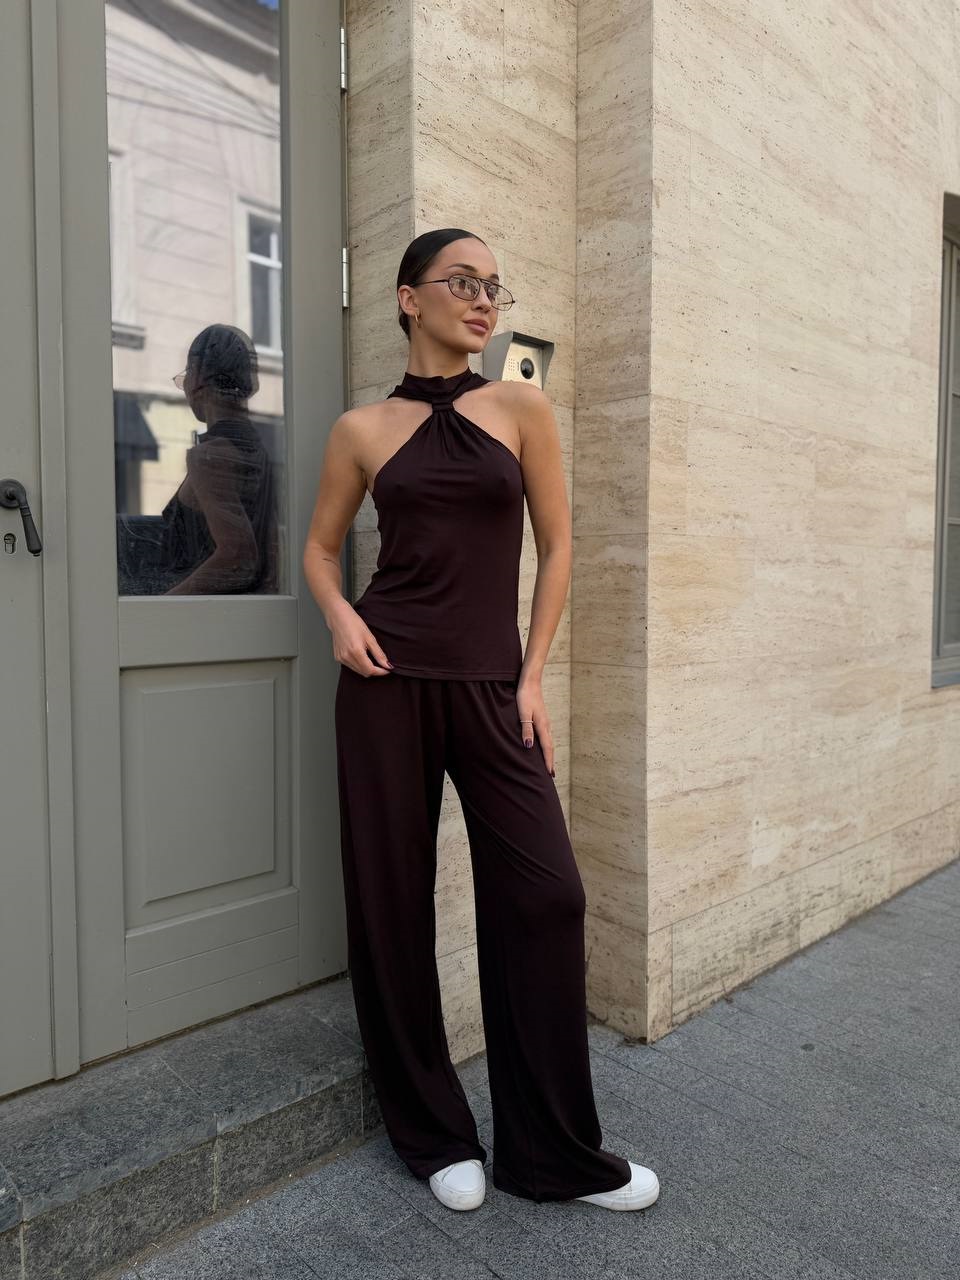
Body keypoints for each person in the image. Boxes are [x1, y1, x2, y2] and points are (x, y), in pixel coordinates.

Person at [302, 228, 660, 1213]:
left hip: (493, 686)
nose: (484, 300)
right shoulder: (361, 429)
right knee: (391, 902)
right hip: (384, 682)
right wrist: (339, 617)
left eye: (495, 287)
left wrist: (532, 677)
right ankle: (433, 1132)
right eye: (462, 282)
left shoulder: (520, 406)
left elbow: (559, 545)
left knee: (548, 896)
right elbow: (321, 550)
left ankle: (552, 1153)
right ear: (408, 297)